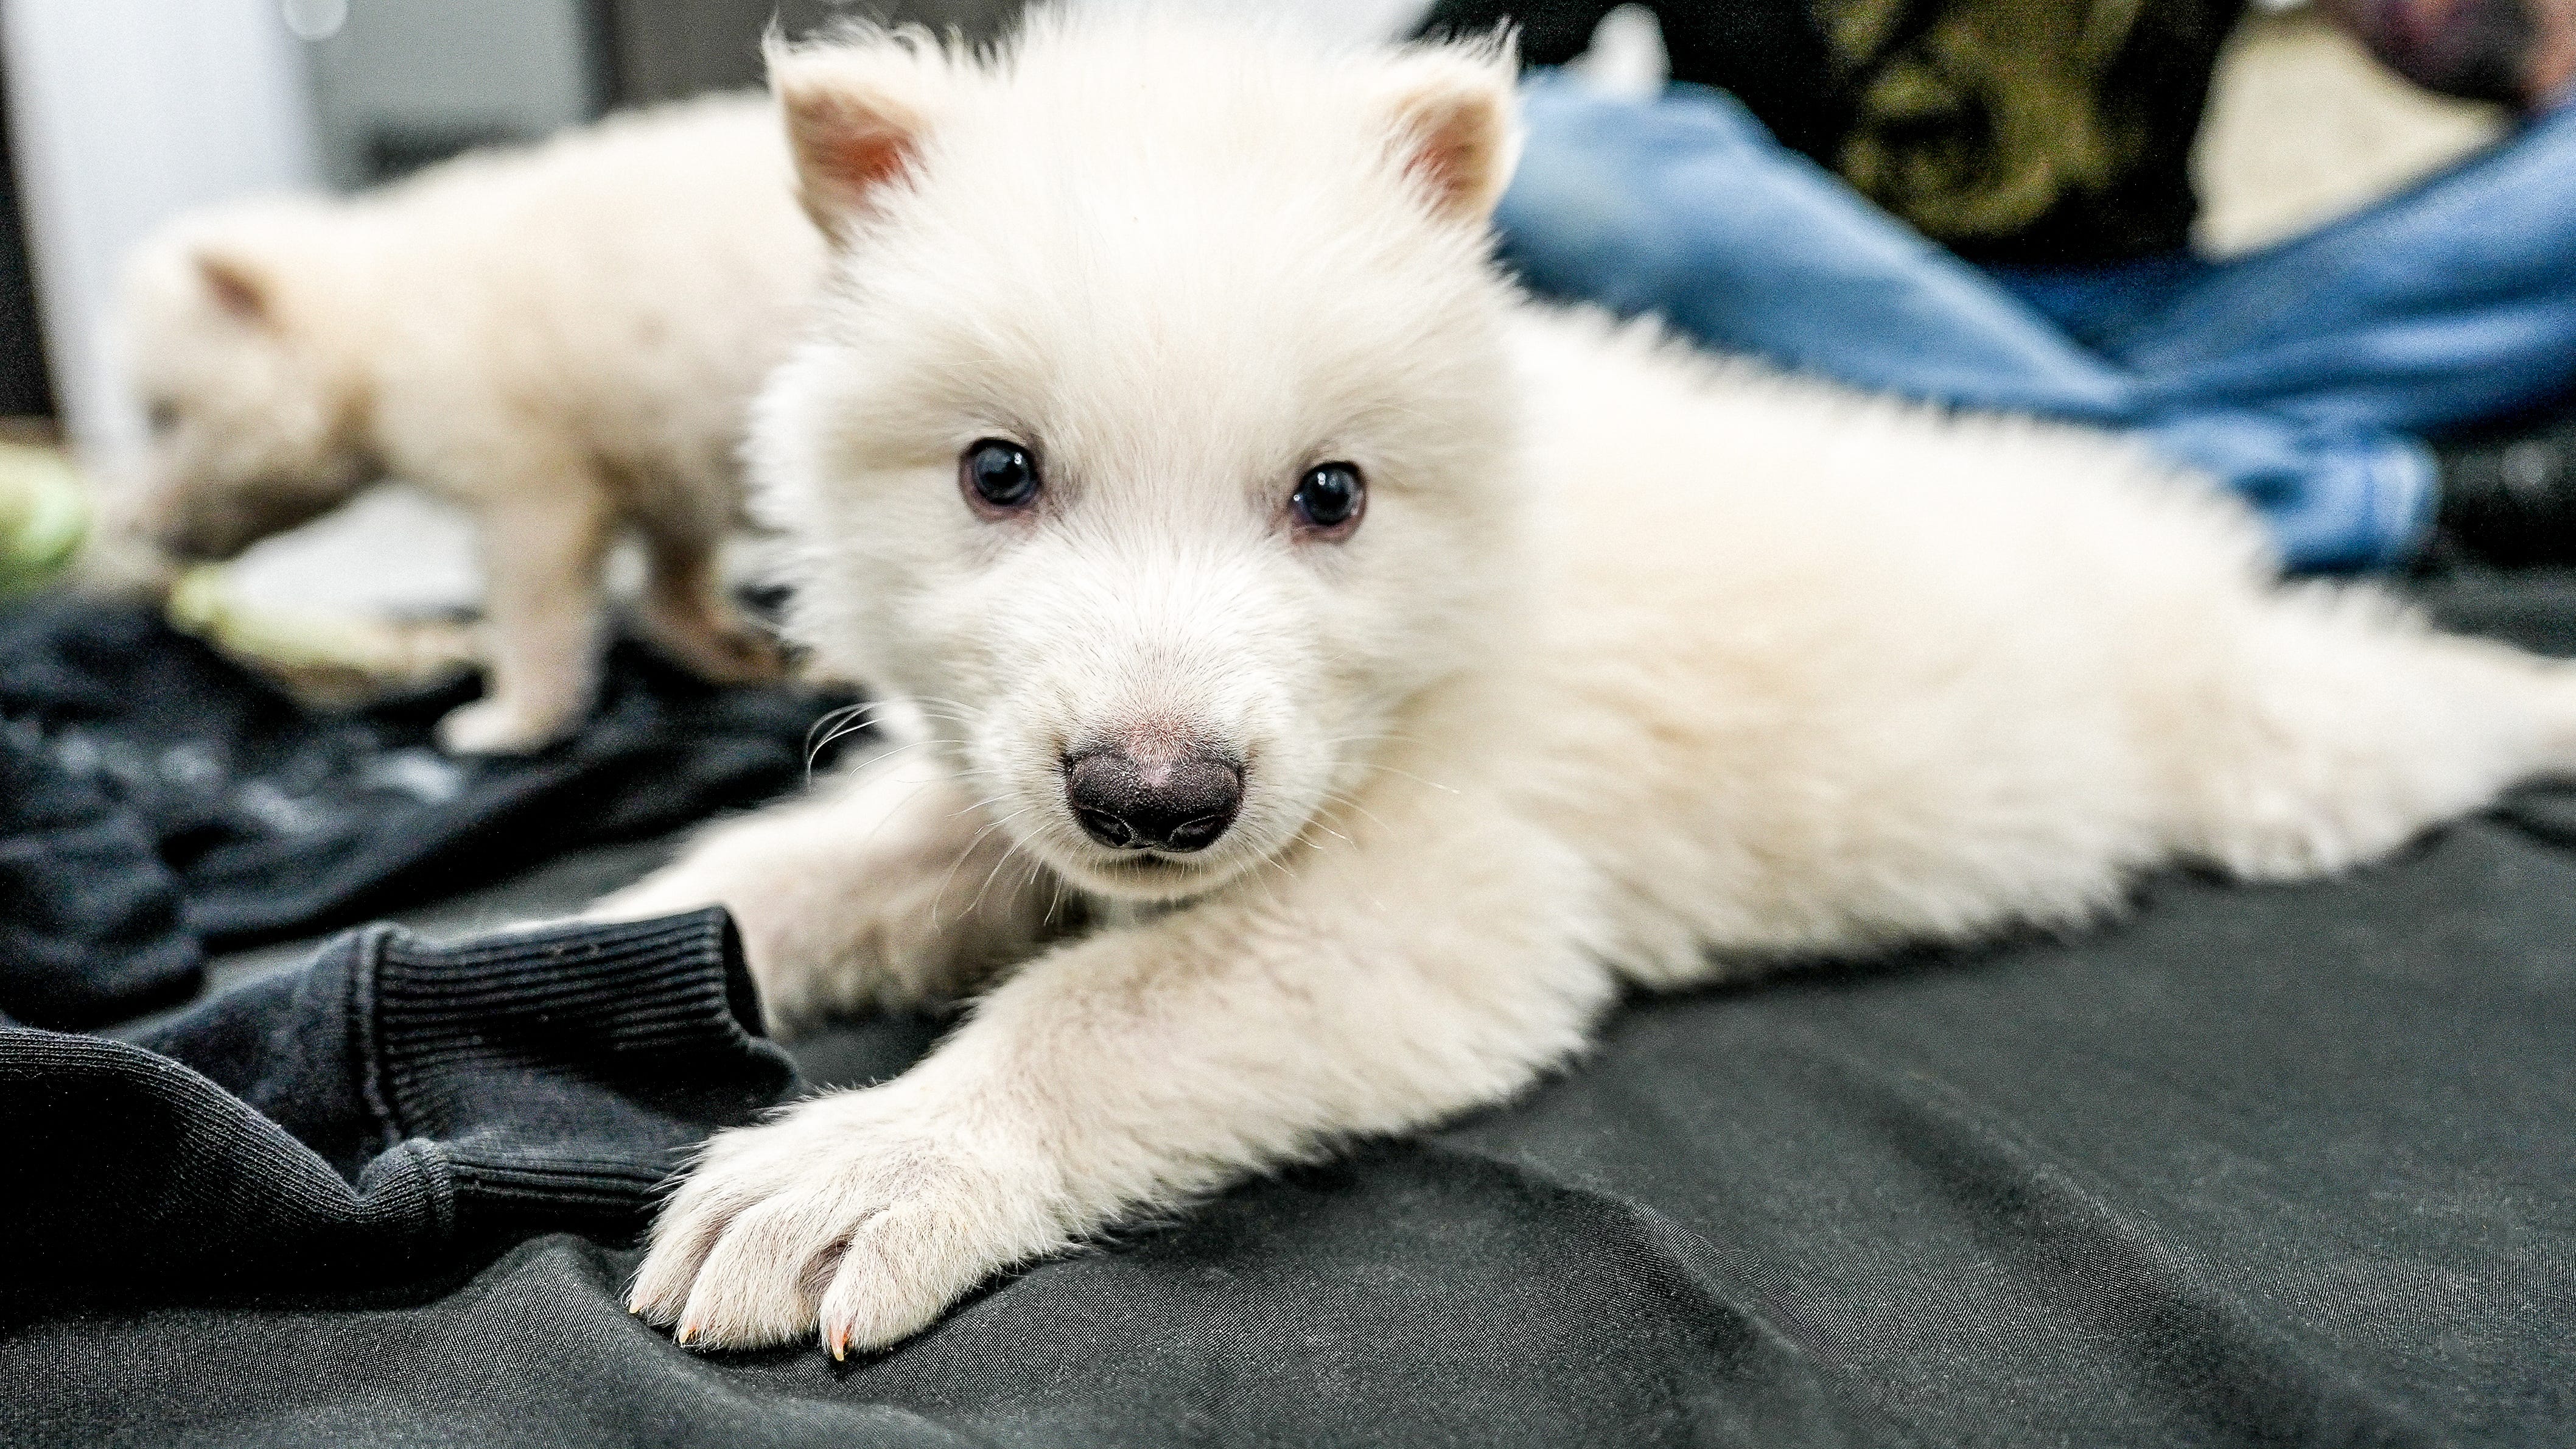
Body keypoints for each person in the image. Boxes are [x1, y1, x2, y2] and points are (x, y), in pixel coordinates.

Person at [1418, 0, 2576, 570]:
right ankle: (2358, 496)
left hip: (2145, 341)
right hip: (1817, 342)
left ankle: (2161, 463)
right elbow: (1443, 92)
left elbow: (2467, 34)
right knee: (1550, 155)